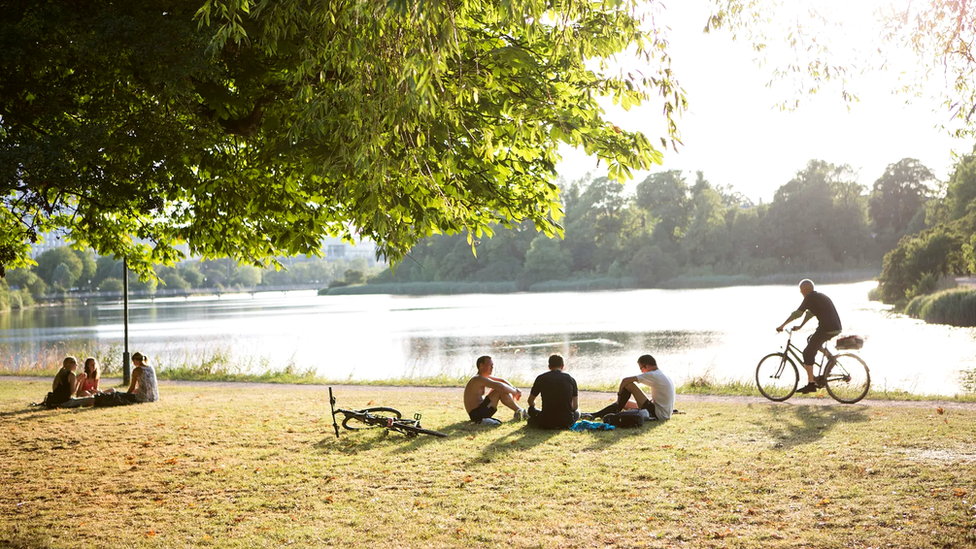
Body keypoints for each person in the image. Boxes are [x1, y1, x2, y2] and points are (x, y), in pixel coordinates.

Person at [776, 279, 842, 394]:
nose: (801, 293)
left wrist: (782, 325)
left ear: (804, 290)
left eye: (801, 291)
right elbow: (810, 313)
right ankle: (830, 358)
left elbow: (797, 313)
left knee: (807, 352)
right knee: (811, 340)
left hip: (827, 328)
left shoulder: (809, 298)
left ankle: (811, 384)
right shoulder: (818, 296)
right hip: (834, 327)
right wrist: (800, 326)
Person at [582, 354, 675, 421]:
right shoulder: (662, 374)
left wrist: (619, 396)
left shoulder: (653, 374)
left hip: (658, 414)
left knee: (629, 385)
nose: (642, 371)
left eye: (641, 368)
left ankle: (615, 410)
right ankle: (595, 415)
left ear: (647, 366)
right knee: (626, 403)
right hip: (663, 412)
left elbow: (625, 380)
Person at [463, 356, 527, 426]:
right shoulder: (477, 379)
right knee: (499, 390)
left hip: (480, 411)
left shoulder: (482, 377)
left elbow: (502, 381)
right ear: (481, 366)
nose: (492, 368)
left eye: (492, 366)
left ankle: (519, 411)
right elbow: (501, 386)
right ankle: (520, 412)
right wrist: (514, 392)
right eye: (490, 365)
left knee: (498, 389)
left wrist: (515, 389)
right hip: (477, 414)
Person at [526, 354, 580, 430]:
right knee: (577, 412)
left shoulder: (541, 378)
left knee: (531, 410)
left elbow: (530, 401)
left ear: (549, 366)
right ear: (562, 366)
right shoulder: (571, 379)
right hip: (566, 421)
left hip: (546, 421)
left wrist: (534, 406)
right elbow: (575, 406)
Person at [94, 352, 159, 407]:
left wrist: (126, 395)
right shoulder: (151, 368)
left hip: (143, 398)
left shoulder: (137, 370)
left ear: (136, 360)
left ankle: (98, 399)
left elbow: (132, 388)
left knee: (117, 394)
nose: (134, 364)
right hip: (154, 397)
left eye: (133, 362)